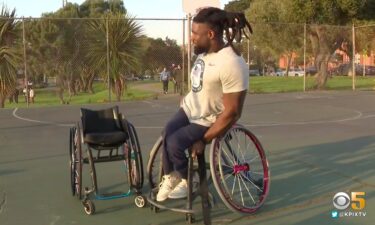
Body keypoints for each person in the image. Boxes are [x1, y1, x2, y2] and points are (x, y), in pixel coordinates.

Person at [156, 7, 252, 202]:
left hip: (208, 119)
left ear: (210, 34)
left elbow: (233, 112)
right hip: (190, 109)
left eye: (194, 34)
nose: (191, 38)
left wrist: (205, 140)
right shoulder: (203, 53)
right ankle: (171, 176)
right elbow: (201, 83)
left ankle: (186, 181)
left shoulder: (231, 63)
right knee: (167, 132)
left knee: (175, 143)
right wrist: (188, 97)